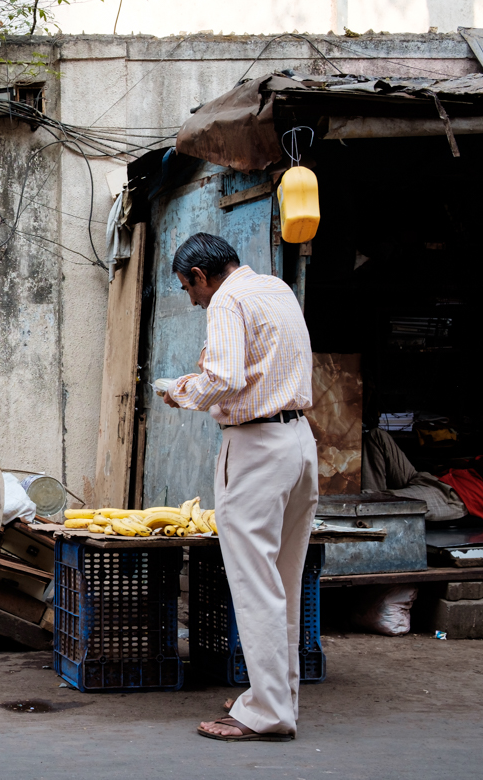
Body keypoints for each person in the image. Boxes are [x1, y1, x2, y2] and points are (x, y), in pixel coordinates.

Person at [161, 233, 317, 742]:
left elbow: (224, 377)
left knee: (255, 585)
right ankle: (276, 698)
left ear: (202, 276)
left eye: (189, 287)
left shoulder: (226, 300)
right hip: (298, 441)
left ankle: (267, 711)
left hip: (256, 448)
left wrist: (182, 391)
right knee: (283, 583)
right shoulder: (276, 288)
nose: (192, 299)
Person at [364, 428, 483, 521]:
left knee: (372, 501)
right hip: (430, 479)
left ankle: (370, 506)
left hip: (448, 495)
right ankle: (371, 516)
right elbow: (454, 462)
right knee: (377, 436)